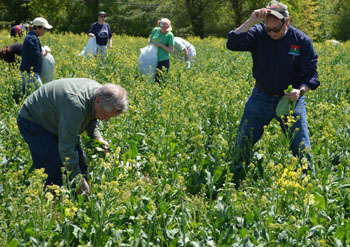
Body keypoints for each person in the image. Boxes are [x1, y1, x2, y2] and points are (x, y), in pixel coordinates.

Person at [226, 1, 320, 185]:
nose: (272, 34)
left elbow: (312, 75)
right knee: (242, 142)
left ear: (287, 22)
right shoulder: (259, 33)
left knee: (301, 145)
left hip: (290, 101)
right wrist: (251, 20)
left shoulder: (301, 41)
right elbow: (232, 43)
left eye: (275, 29)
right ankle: (235, 179)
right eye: (268, 30)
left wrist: (300, 91)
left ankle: (309, 186)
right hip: (260, 97)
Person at [17, 78, 128, 194]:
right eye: (106, 114)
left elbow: (91, 116)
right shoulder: (76, 106)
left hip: (57, 120)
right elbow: (67, 148)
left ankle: (78, 200)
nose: (106, 120)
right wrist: (79, 181)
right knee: (54, 168)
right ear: (98, 100)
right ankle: (51, 204)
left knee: (81, 166)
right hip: (34, 120)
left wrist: (98, 138)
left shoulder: (100, 95)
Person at [19, 17, 52, 95]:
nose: (45, 31)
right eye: (45, 29)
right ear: (38, 28)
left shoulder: (31, 36)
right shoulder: (32, 38)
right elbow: (36, 55)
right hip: (30, 71)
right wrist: (45, 52)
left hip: (27, 69)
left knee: (26, 93)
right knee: (41, 93)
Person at [148, 18, 174, 84]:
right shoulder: (155, 30)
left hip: (163, 61)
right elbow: (150, 40)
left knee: (160, 81)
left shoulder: (170, 35)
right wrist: (150, 43)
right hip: (153, 59)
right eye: (164, 29)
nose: (166, 31)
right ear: (160, 26)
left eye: (167, 29)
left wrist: (161, 45)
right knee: (151, 80)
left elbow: (171, 51)